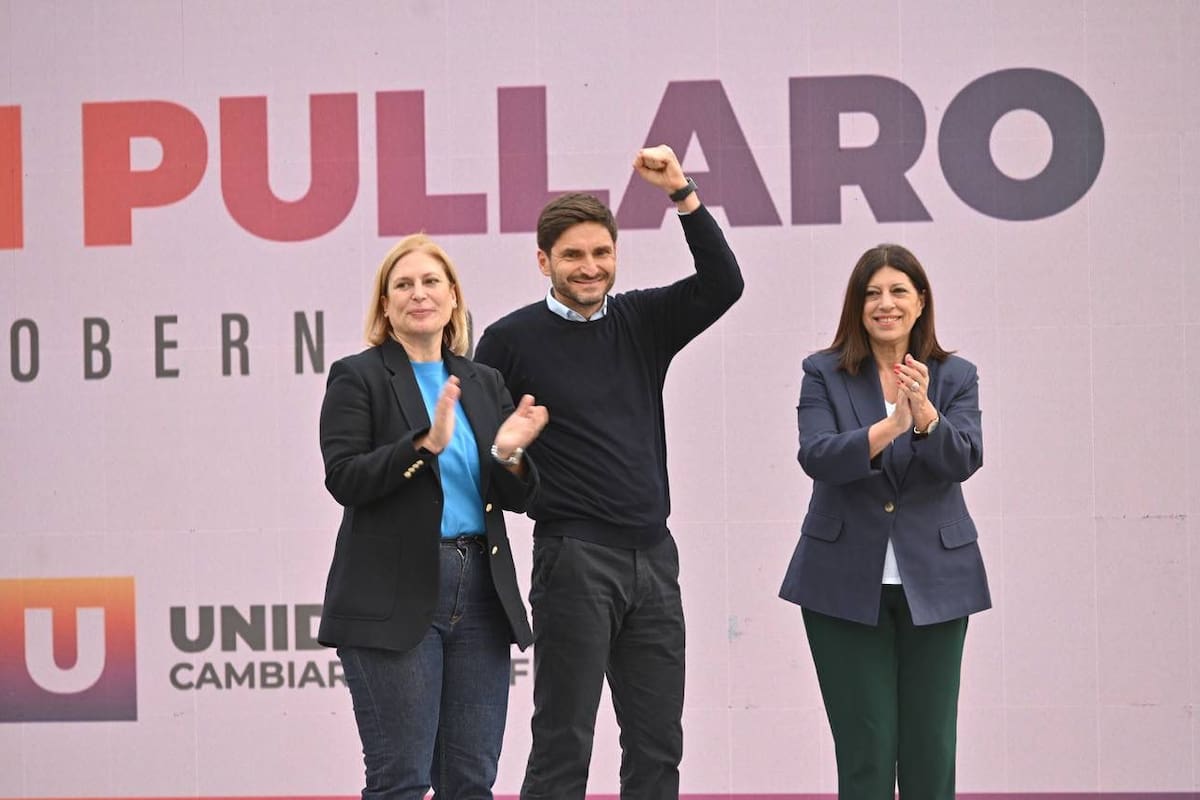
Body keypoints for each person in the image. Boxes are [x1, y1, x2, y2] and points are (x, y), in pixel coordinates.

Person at [473, 144, 743, 799]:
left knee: (657, 747)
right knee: (565, 740)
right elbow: (490, 463)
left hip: (654, 557)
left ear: (616, 254)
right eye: (572, 255)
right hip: (574, 557)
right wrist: (508, 450)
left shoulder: (642, 320)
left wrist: (681, 191)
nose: (590, 267)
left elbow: (724, 284)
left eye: (602, 253)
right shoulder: (509, 341)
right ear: (544, 262)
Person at [317, 233, 549, 800]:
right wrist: (424, 445)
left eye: (430, 283)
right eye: (403, 285)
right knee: (401, 780)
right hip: (394, 594)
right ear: (385, 305)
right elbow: (345, 478)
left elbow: (521, 499)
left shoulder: (482, 381)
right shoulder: (359, 376)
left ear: (452, 299)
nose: (418, 294)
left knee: (470, 782)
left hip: (481, 593)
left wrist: (509, 453)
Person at [778, 244, 990, 799]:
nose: (885, 304)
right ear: (856, 304)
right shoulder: (823, 372)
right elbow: (817, 455)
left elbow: (963, 459)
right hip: (841, 582)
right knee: (867, 748)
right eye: (872, 293)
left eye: (898, 291)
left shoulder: (955, 376)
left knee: (930, 746)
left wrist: (925, 419)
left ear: (921, 302)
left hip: (938, 582)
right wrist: (890, 427)